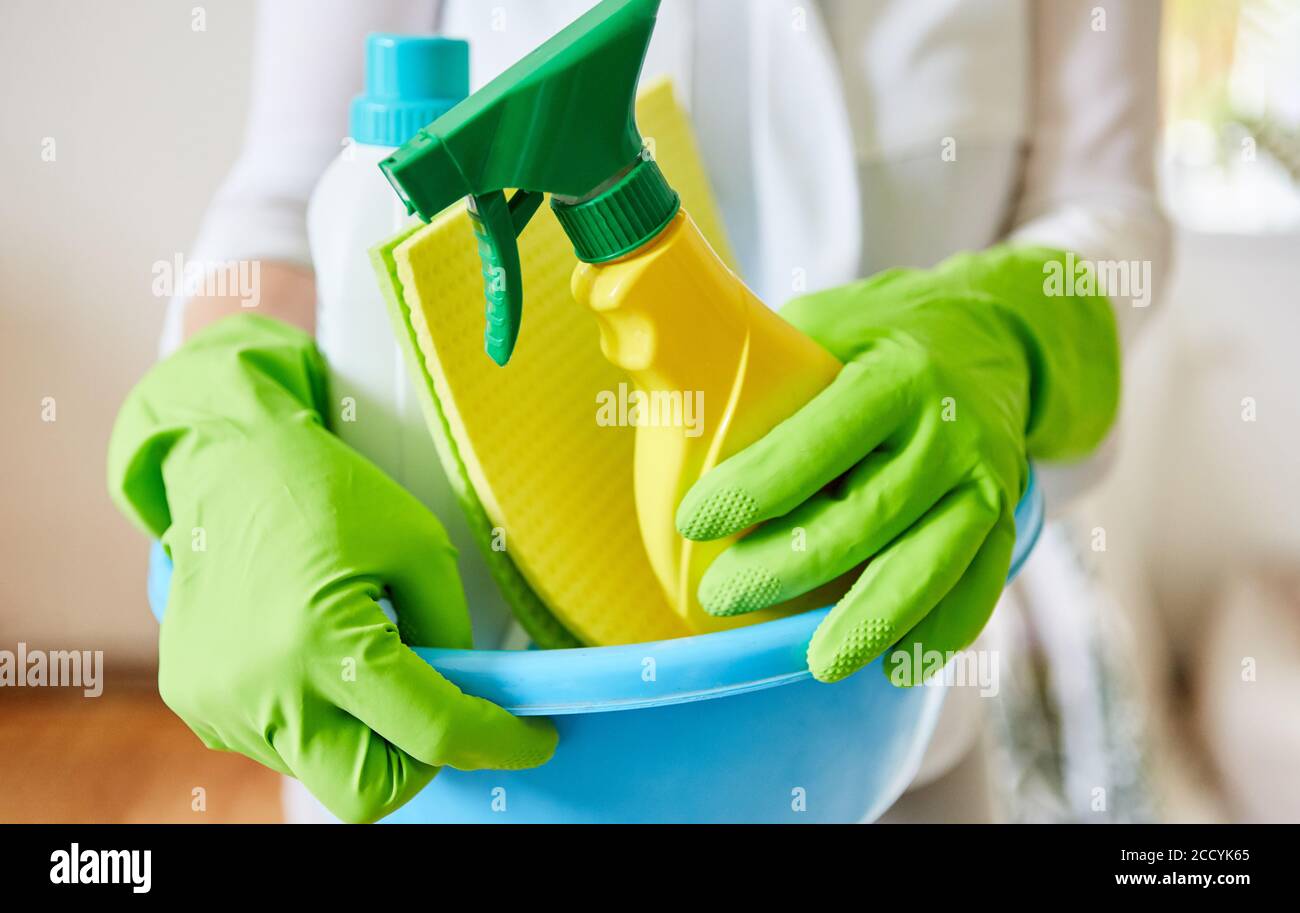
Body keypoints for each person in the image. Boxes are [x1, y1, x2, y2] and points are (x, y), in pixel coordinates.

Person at [108, 0, 1168, 823]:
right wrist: (222, 420)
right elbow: (300, 193)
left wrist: (1016, 327)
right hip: (474, 775)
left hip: (886, 733)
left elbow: (1109, 205)